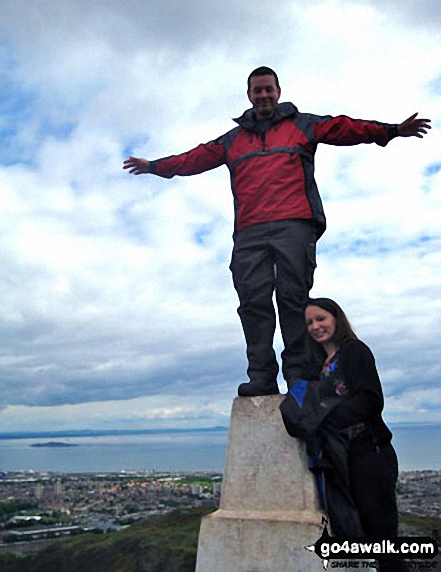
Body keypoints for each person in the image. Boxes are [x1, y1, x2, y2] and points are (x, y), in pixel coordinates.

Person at [123, 66, 431, 397]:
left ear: (278, 92)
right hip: (250, 232)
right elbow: (193, 159)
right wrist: (154, 167)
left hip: (294, 224)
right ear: (249, 95)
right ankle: (261, 377)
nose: (264, 95)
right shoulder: (233, 141)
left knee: (293, 300)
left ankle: (299, 377)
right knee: (253, 303)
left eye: (269, 89)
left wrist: (392, 130)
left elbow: (345, 128)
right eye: (258, 90)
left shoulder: (303, 125)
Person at [304, 297, 407, 572]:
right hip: (341, 458)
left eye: (321, 318)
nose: (315, 326)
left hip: (369, 454)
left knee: (382, 541)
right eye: (310, 322)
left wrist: (326, 418)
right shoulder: (321, 365)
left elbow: (372, 400)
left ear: (336, 319)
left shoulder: (354, 351)